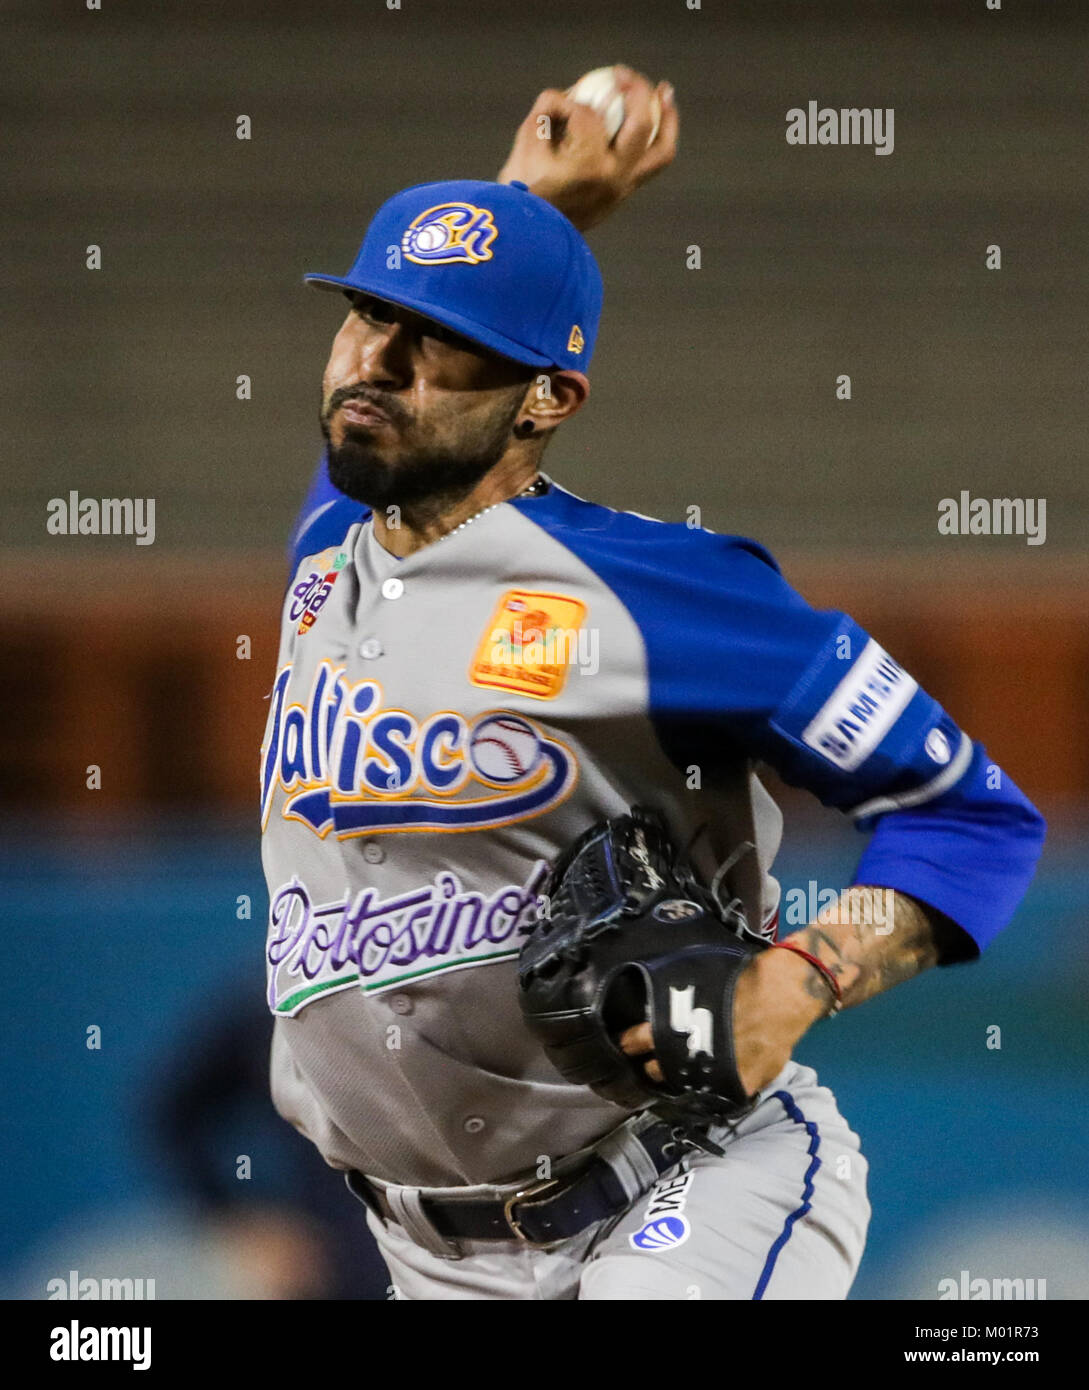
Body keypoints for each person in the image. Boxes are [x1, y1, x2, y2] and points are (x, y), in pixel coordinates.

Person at [260, 69, 1045, 1299]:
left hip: (686, 1180)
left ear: (548, 398)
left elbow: (972, 812)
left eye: (438, 340)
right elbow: (391, 403)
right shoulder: (330, 555)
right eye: (367, 312)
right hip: (422, 1251)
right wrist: (531, 202)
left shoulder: (658, 590)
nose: (378, 359)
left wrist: (796, 981)